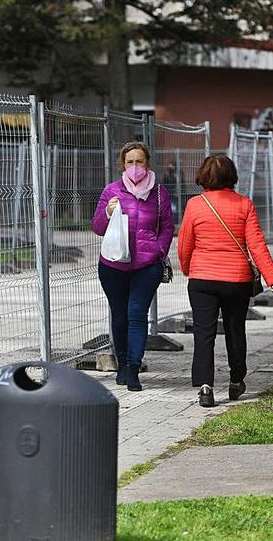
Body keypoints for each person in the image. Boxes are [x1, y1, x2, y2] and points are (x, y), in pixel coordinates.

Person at [177, 155, 273, 407]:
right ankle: (236, 380)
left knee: (204, 333)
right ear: (232, 176)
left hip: (202, 279)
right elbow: (256, 244)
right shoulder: (244, 204)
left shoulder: (194, 205)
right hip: (236, 280)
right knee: (235, 330)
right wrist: (272, 278)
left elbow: (184, 244)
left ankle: (205, 386)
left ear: (203, 176)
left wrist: (187, 268)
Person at [91, 141, 174, 391]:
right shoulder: (112, 191)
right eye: (130, 162)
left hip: (147, 266)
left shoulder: (159, 193)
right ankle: (123, 364)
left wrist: (158, 250)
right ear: (123, 165)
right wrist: (107, 212)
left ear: (147, 163)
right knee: (119, 315)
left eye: (139, 161)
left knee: (137, 315)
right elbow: (97, 227)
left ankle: (135, 369)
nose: (135, 167)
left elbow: (168, 226)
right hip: (114, 265)